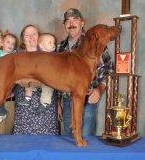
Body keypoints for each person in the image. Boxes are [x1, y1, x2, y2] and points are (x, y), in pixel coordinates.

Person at [57, 8, 113, 137]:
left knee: (86, 137)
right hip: (67, 101)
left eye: (75, 20)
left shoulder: (97, 43)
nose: (71, 24)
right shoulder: (60, 47)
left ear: (82, 23)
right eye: (67, 21)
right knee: (68, 139)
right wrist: (58, 102)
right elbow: (56, 76)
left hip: (88, 99)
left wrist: (99, 89)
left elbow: (109, 69)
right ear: (65, 25)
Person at [13, 25, 59, 135]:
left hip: (46, 105)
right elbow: (14, 77)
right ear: (23, 39)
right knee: (24, 139)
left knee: (47, 141)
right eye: (27, 35)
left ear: (40, 37)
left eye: (34, 34)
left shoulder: (51, 55)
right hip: (25, 104)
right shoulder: (17, 56)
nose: (31, 37)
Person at [18, 33, 57, 114]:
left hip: (48, 79)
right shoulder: (36, 54)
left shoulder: (54, 56)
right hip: (37, 77)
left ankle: (44, 103)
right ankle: (27, 98)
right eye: (49, 42)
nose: (53, 44)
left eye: (53, 42)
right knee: (28, 81)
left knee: (48, 87)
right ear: (41, 45)